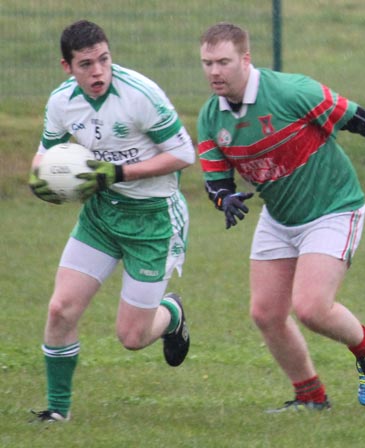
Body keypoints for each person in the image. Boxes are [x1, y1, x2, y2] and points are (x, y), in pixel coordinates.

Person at [197, 22, 365, 412]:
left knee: (311, 308)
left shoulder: (290, 91)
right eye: (207, 63)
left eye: (223, 62)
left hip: (334, 208)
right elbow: (215, 181)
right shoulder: (210, 118)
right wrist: (224, 200)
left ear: (246, 60)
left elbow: (355, 117)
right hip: (280, 217)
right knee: (266, 313)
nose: (214, 72)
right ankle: (311, 397)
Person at [28, 20, 195, 422]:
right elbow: (44, 155)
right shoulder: (61, 102)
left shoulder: (140, 95)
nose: (98, 71)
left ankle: (171, 314)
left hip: (154, 219)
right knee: (61, 309)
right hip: (101, 215)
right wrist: (42, 181)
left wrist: (118, 173)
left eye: (104, 60)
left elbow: (184, 153)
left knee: (132, 337)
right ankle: (58, 411)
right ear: (67, 67)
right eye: (86, 64)